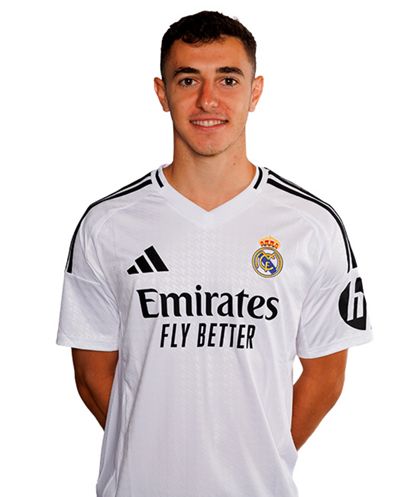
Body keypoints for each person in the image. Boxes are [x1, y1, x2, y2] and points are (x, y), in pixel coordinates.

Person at [56, 10, 373, 497]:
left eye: (228, 79)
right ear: (162, 93)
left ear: (255, 91)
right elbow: (91, 373)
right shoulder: (107, 225)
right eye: (188, 80)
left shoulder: (312, 226)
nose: (208, 99)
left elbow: (326, 375)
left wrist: (257, 454)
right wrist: (153, 449)